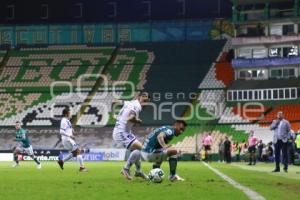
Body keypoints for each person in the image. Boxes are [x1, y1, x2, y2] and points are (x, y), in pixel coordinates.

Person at [112, 92, 150, 180]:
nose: (145, 103)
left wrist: (115, 115)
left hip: (125, 132)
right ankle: (126, 169)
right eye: (144, 99)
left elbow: (114, 101)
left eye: (147, 101)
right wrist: (137, 121)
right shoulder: (137, 106)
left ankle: (138, 171)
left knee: (137, 150)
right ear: (139, 97)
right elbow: (131, 118)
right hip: (121, 133)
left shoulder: (129, 102)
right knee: (142, 148)